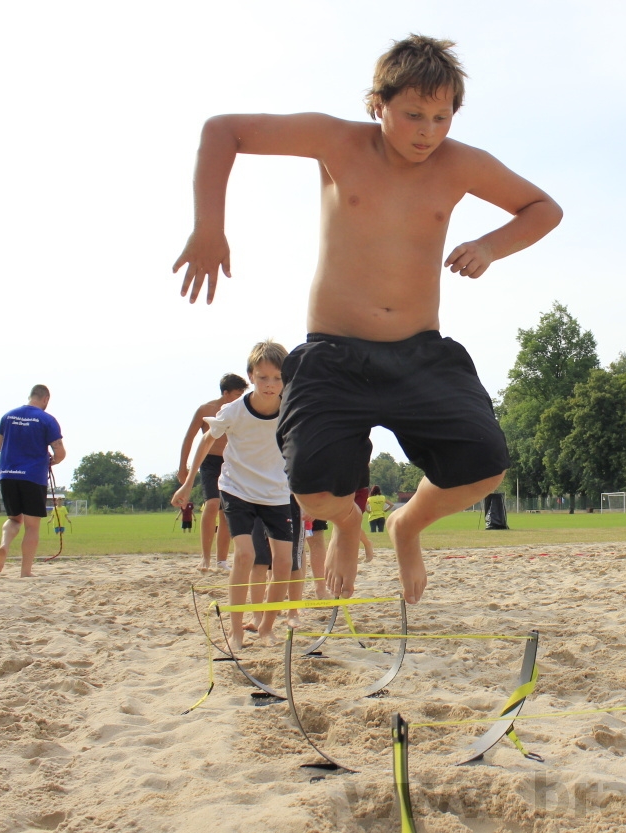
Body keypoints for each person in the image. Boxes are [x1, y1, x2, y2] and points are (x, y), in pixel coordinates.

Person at [173, 35, 562, 604]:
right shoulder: (336, 141)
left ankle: (406, 524)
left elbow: (544, 208)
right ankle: (348, 521)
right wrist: (209, 227)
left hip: (420, 352)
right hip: (335, 353)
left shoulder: (462, 164)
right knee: (309, 490)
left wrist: (490, 246)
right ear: (379, 103)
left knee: (485, 467)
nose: (428, 131)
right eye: (413, 115)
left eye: (442, 117)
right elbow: (221, 131)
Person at [173, 341, 297, 651]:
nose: (270, 385)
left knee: (283, 563)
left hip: (276, 492)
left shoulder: (291, 408)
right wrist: (188, 482)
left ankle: (266, 626)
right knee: (245, 555)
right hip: (237, 489)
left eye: (277, 378)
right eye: (262, 377)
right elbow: (206, 440)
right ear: (251, 376)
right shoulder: (234, 410)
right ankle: (236, 631)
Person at [0, 384, 66, 577]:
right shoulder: (47, 420)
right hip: (33, 476)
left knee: (14, 519)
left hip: (8, 474)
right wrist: (53, 460)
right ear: (45, 399)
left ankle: (4, 545)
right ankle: (25, 571)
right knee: (32, 526)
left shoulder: (8, 416)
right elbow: (59, 451)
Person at [178, 374, 248, 572]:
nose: (240, 398)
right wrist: (183, 467)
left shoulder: (241, 410)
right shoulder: (205, 410)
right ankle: (205, 557)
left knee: (227, 511)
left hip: (232, 462)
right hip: (209, 462)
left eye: (242, 394)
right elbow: (189, 438)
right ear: (225, 393)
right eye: (237, 394)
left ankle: (221, 560)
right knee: (212, 504)